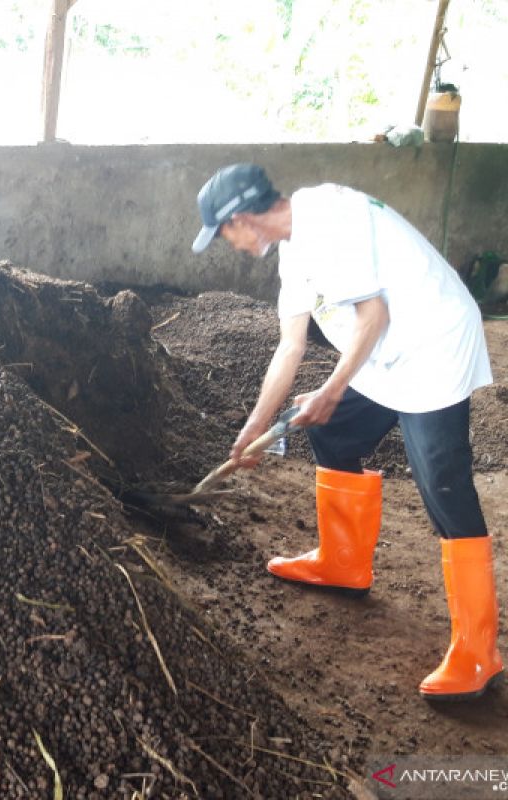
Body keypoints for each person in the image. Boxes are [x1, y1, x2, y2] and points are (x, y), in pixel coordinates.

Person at [191, 163, 501, 701]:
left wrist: (332, 389)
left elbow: (373, 316)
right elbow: (290, 347)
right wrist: (253, 428)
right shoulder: (293, 251)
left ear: (241, 219)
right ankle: (343, 563)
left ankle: (480, 652)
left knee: (443, 487)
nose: (231, 246)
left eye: (224, 236)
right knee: (335, 437)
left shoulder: (330, 218)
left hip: (431, 347)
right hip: (385, 355)